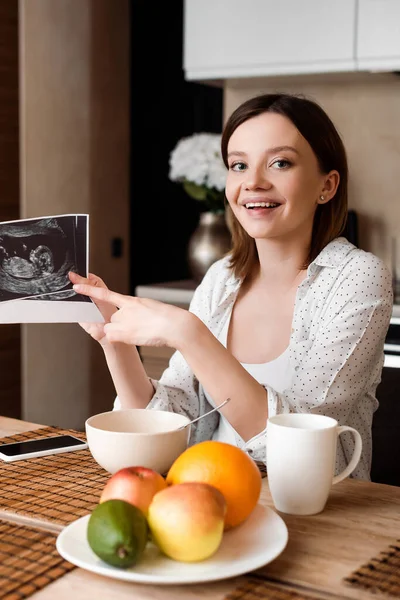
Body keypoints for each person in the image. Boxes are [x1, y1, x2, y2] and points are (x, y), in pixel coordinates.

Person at [70, 93, 393, 480]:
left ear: (327, 185)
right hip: (213, 500)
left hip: (317, 513)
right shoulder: (222, 278)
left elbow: (305, 445)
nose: (253, 182)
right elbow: (174, 420)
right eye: (238, 165)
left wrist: (188, 333)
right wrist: (114, 340)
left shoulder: (357, 277)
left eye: (280, 163)